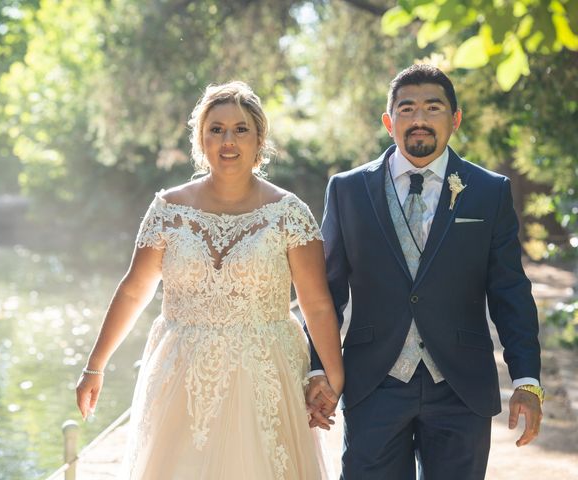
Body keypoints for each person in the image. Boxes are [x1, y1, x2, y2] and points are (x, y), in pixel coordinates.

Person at [76, 80, 343, 480]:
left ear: (259, 139)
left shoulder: (290, 213)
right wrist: (95, 366)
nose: (228, 140)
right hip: (181, 374)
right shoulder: (168, 209)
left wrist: (331, 380)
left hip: (265, 371)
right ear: (201, 140)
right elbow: (134, 290)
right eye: (215, 129)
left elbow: (317, 304)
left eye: (240, 129)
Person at [305, 64, 544, 479]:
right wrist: (317, 370)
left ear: (455, 119)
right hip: (373, 382)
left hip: (460, 386)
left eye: (432, 108)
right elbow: (325, 292)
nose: (418, 120)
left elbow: (510, 291)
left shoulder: (490, 191)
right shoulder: (347, 190)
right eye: (406, 108)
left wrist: (526, 378)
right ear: (388, 120)